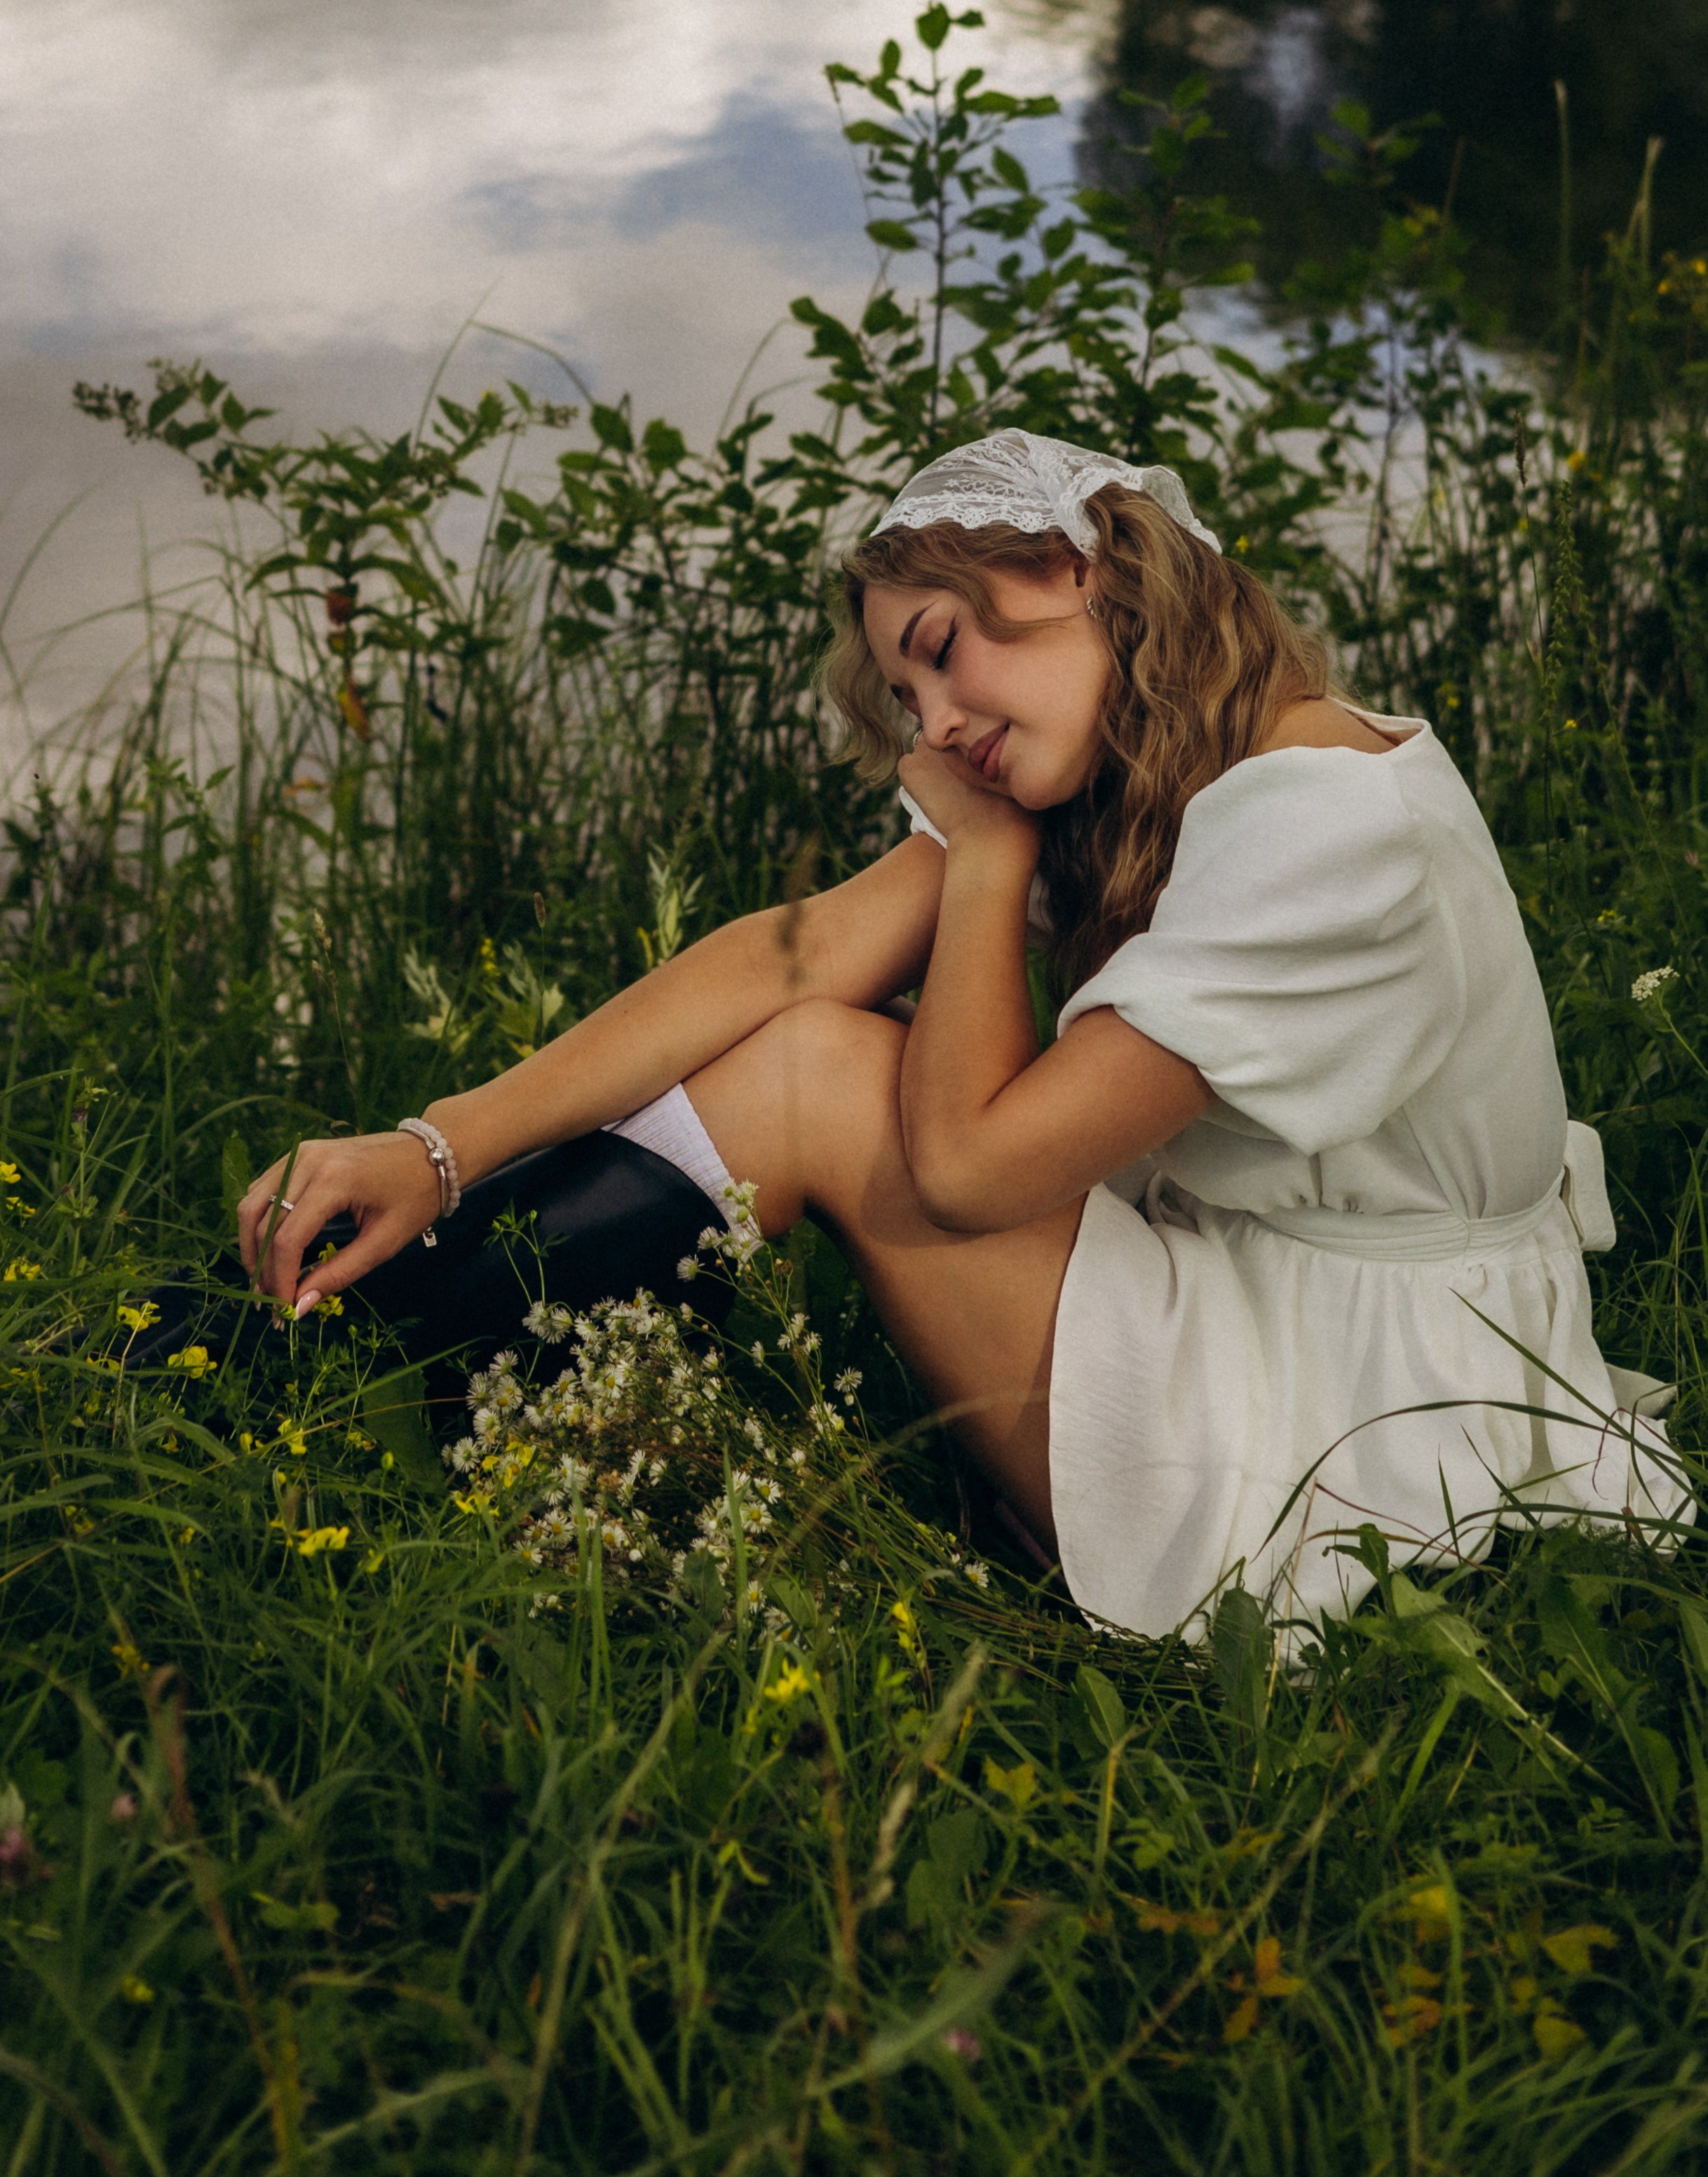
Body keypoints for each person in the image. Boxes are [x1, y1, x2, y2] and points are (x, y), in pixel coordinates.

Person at [237, 428, 1693, 1639]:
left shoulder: (1328, 827)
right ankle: (415, 1328)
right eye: (907, 699)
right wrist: (438, 1144)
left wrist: (986, 866)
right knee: (820, 1028)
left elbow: (973, 1175)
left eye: (940, 654)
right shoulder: (1158, 760)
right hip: (1249, 1304)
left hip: (1335, 1411)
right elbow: (794, 952)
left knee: (830, 1075)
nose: (936, 729)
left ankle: (324, 1364)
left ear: (1079, 565)